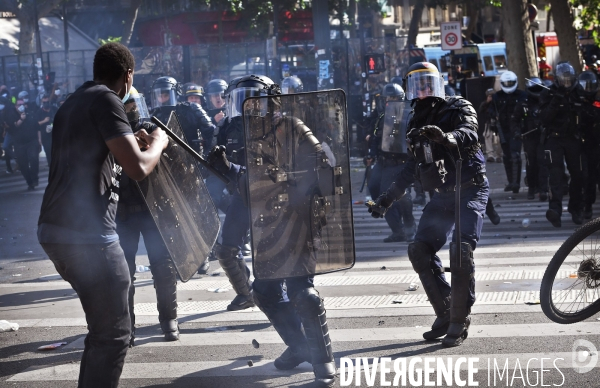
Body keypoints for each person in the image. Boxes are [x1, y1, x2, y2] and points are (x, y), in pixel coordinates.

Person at [37, 42, 169, 387]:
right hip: (89, 235)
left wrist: (129, 138)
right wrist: (158, 141)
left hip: (54, 229)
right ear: (128, 76)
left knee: (102, 334)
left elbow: (95, 156)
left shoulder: (72, 102)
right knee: (114, 337)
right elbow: (139, 169)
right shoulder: (107, 99)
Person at [208, 74, 336, 387]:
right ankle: (299, 346)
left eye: (256, 101)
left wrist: (299, 193)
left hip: (298, 222)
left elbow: (323, 165)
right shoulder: (248, 138)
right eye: (245, 103)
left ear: (271, 101)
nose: (251, 108)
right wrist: (224, 168)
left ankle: (323, 361)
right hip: (267, 227)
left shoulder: (289, 126)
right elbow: (253, 186)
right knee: (264, 292)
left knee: (301, 293)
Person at [367, 62, 488, 347]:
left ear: (437, 83)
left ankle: (460, 319)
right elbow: (413, 166)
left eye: (426, 83)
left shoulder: (459, 106)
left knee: (460, 250)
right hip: (443, 194)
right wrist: (386, 200)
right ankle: (446, 311)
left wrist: (446, 138)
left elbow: (470, 132)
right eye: (416, 84)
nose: (422, 90)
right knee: (419, 249)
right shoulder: (414, 119)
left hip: (471, 190)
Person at [117, 86, 180, 344]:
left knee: (163, 267)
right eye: (127, 106)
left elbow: (174, 154)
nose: (133, 111)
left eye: (135, 105)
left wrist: (156, 141)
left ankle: (169, 321)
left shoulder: (151, 127)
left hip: (153, 209)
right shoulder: (112, 134)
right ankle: (127, 326)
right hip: (123, 212)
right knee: (123, 272)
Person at [366, 82, 415, 242]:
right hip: (383, 161)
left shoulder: (408, 116)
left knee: (397, 195)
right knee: (375, 191)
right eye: (388, 98)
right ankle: (398, 229)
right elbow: (375, 138)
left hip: (401, 162)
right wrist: (371, 154)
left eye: (393, 98)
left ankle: (407, 225)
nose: (389, 101)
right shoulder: (381, 117)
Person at [539, 62, 586, 227]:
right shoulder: (549, 93)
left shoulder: (578, 91)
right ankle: (555, 210)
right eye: (563, 80)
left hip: (573, 138)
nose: (566, 83)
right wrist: (556, 100)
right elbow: (544, 118)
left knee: (578, 175)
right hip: (554, 138)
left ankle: (576, 208)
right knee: (556, 175)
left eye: (568, 80)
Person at [151, 76, 215, 155]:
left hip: (194, 158)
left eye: (166, 95)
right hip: (168, 161)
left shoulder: (191, 109)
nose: (163, 99)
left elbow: (211, 131)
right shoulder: (156, 115)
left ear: (174, 94)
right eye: (160, 96)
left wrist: (207, 156)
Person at [489, 71, 526, 193]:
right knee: (506, 156)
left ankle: (516, 183)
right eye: (506, 83)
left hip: (516, 129)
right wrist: (494, 118)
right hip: (503, 129)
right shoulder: (497, 97)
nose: (509, 85)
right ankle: (511, 181)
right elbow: (490, 111)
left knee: (515, 154)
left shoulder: (521, 95)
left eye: (511, 83)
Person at [512, 77, 549, 201]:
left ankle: (543, 189)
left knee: (542, 162)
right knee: (531, 163)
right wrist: (517, 131)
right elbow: (515, 119)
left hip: (543, 137)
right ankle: (532, 187)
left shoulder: (545, 102)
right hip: (529, 137)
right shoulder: (523, 103)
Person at [573, 71, 600, 219]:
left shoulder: (597, 102)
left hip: (595, 143)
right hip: (579, 143)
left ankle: (589, 204)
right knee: (583, 176)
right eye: (586, 86)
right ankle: (584, 205)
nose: (588, 89)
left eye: (591, 86)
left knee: (593, 176)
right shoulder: (576, 102)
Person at [5, 97, 40, 190]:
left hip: (31, 141)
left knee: (33, 159)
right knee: (23, 165)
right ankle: (30, 183)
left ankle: (34, 179)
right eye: (19, 105)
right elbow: (12, 128)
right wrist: (21, 119)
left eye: (22, 104)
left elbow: (37, 128)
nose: (21, 106)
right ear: (15, 106)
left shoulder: (30, 113)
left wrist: (39, 141)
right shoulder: (11, 115)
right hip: (19, 144)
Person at [35, 93, 57, 167]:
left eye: (47, 102)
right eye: (44, 102)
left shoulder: (54, 109)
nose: (46, 104)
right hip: (45, 136)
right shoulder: (39, 112)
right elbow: (36, 124)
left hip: (56, 134)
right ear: (42, 102)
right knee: (48, 151)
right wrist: (44, 121)